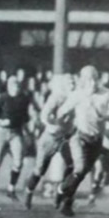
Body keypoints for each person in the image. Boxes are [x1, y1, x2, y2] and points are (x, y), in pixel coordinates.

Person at [54, 66, 109, 216]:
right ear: (83, 81)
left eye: (95, 79)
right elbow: (61, 111)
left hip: (96, 140)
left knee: (82, 173)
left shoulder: (106, 94)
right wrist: (63, 124)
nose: (93, 83)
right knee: (79, 169)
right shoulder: (78, 94)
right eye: (89, 80)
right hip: (79, 137)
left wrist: (105, 117)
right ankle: (61, 191)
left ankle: (66, 202)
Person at [24, 74, 74, 210]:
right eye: (69, 83)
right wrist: (54, 120)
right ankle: (28, 192)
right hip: (50, 137)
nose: (72, 85)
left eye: (73, 83)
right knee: (40, 169)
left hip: (65, 138)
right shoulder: (57, 97)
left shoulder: (76, 98)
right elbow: (44, 116)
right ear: (63, 85)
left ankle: (60, 193)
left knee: (73, 166)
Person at [0, 76, 32, 203]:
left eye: (18, 86)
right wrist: (0, 121)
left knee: (18, 161)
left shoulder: (24, 99)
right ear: (9, 86)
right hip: (1, 131)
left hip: (16, 131)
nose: (16, 88)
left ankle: (11, 189)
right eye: (13, 85)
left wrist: (22, 123)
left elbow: (26, 116)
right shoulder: (3, 98)